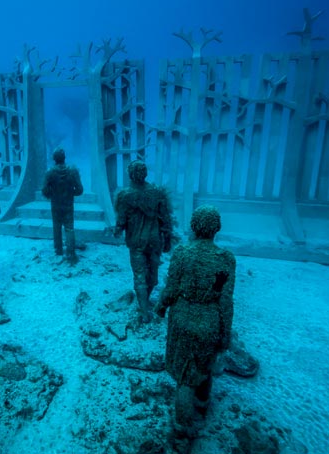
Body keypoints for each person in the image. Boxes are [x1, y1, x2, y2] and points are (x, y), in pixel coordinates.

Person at [156, 205, 236, 446]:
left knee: (184, 379)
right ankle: (202, 407)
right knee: (205, 365)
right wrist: (225, 334)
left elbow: (171, 289)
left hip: (183, 320)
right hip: (210, 321)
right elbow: (226, 301)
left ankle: (181, 433)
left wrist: (160, 306)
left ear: (193, 226)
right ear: (217, 228)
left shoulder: (182, 254)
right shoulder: (226, 259)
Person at [113, 160, 176, 323]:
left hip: (136, 242)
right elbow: (166, 220)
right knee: (153, 274)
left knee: (140, 275)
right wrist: (168, 239)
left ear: (130, 175)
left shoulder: (125, 196)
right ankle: (145, 301)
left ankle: (144, 311)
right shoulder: (157, 193)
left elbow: (121, 221)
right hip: (155, 241)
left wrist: (117, 230)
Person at [41, 147, 83, 264]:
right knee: (69, 228)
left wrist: (53, 195)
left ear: (54, 158)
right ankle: (71, 253)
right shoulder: (73, 170)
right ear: (64, 157)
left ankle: (58, 251)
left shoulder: (49, 172)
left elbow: (44, 190)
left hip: (56, 204)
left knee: (57, 227)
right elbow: (80, 190)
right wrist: (70, 193)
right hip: (68, 204)